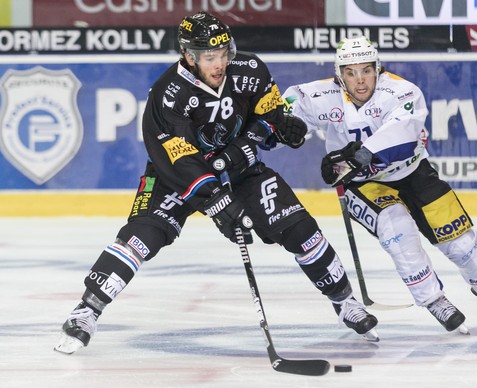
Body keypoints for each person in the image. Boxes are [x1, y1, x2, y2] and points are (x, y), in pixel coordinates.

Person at [54, 13, 379, 354]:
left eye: (223, 52)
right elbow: (180, 160)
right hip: (176, 177)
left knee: (299, 228)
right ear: (189, 56)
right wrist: (219, 203)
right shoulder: (168, 94)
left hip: (239, 171)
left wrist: (280, 128)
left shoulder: (250, 70)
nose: (220, 62)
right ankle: (86, 310)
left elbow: (268, 115)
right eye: (210, 56)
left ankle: (345, 302)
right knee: (142, 236)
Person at [282, 37, 477, 333]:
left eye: (366, 70)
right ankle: (434, 299)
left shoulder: (402, 91)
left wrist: (357, 157)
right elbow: (284, 110)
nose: (360, 80)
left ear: (378, 68)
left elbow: (402, 136)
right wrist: (289, 129)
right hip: (363, 185)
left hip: (413, 172)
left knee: (461, 242)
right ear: (339, 75)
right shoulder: (319, 95)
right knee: (398, 231)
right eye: (350, 73)